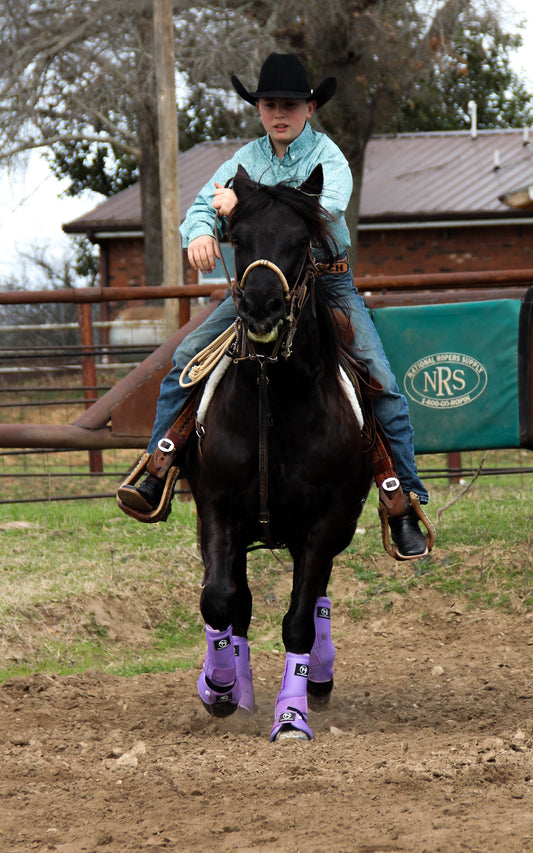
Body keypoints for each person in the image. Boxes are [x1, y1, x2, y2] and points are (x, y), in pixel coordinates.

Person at [117, 52, 432, 559]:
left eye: (289, 104)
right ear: (258, 109)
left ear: (310, 108)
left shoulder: (329, 159)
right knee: (185, 360)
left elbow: (316, 212)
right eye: (269, 105)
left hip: (328, 285)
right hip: (260, 286)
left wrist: (238, 205)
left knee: (381, 381)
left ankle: (404, 500)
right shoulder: (243, 159)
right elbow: (203, 204)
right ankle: (159, 465)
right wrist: (201, 231)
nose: (278, 113)